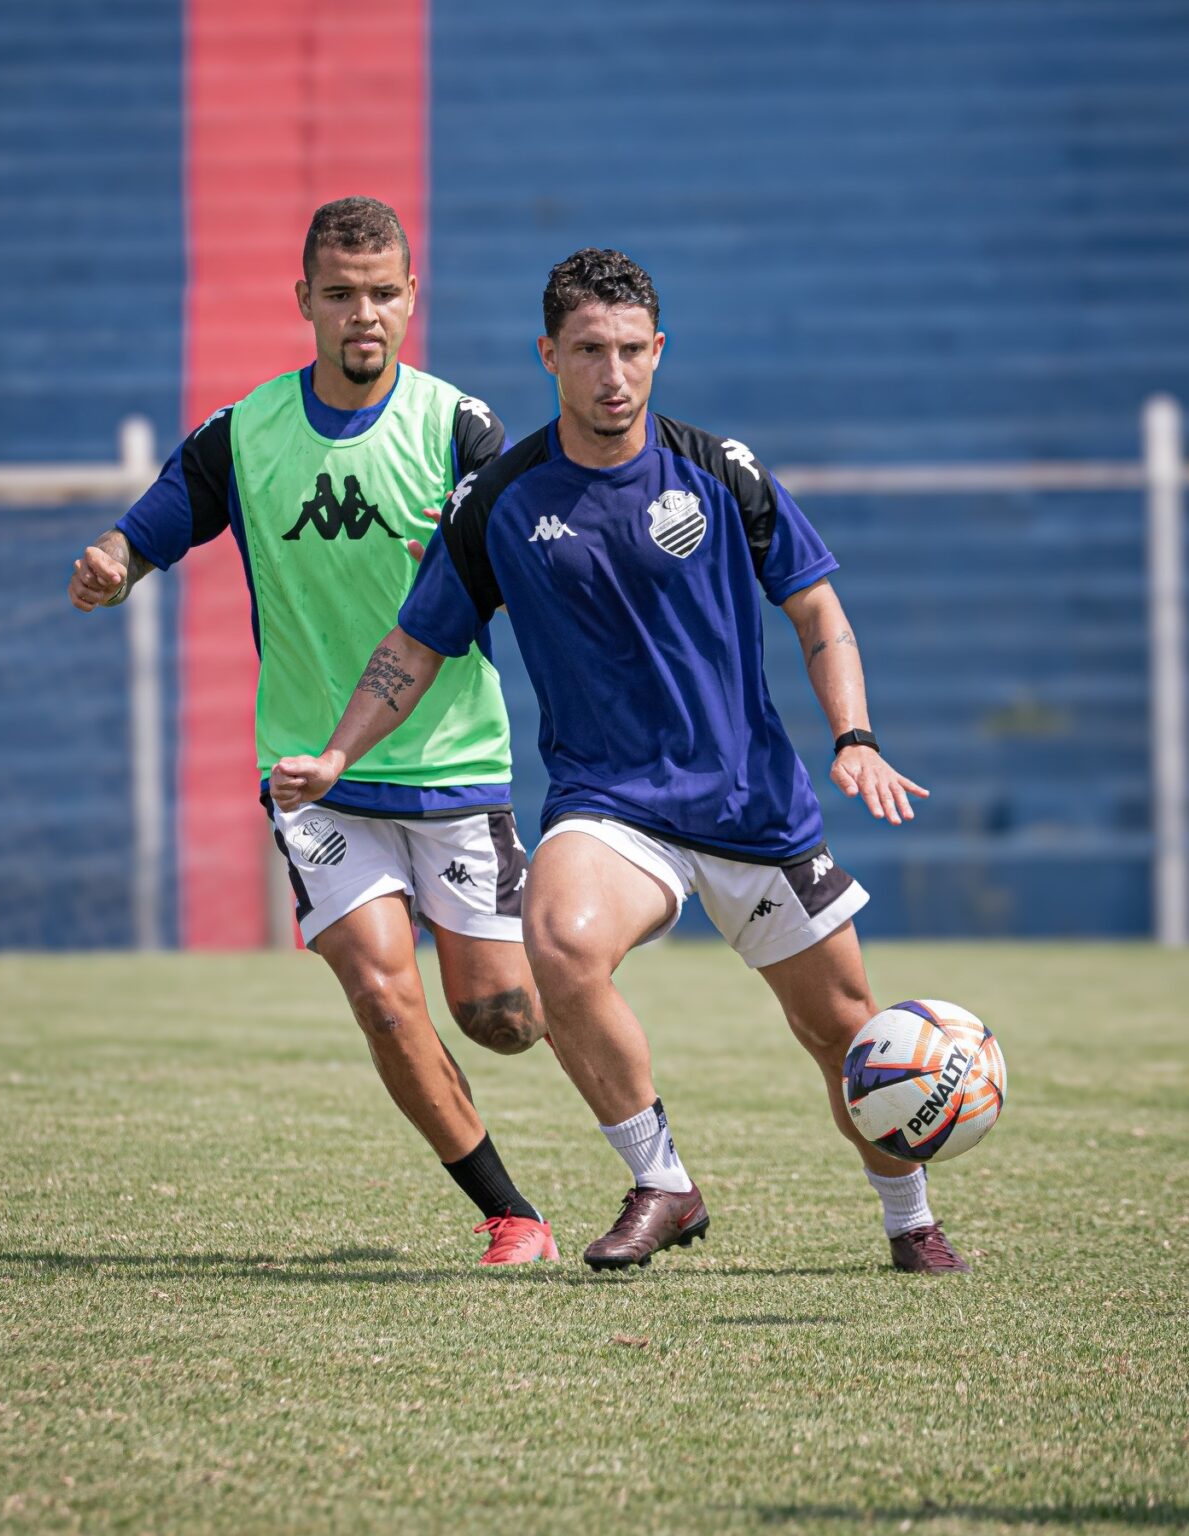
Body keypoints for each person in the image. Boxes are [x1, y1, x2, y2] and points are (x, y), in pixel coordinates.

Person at [271, 247, 970, 1276]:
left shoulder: (720, 471)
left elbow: (816, 609)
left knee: (842, 1034)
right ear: (547, 354)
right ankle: (661, 1182)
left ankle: (908, 1220)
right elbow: (412, 647)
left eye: (632, 351)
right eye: (589, 351)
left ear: (657, 351)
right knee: (555, 944)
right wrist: (337, 754)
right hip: (612, 807)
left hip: (750, 807)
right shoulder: (500, 501)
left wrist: (853, 737)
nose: (613, 374)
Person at [68, 197, 559, 1266]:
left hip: (450, 761)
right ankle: (510, 1214)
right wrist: (113, 559)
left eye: (382, 291)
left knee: (498, 1014)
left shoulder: (457, 429)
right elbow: (152, 521)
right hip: (309, 773)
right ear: (304, 301)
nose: (362, 312)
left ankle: (558, 1027)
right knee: (383, 999)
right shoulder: (245, 433)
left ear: (411, 298)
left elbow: (525, 562)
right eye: (339, 293)